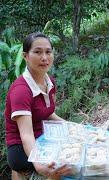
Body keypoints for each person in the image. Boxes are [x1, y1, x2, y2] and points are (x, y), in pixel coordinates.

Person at [4, 32, 72, 179]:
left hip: (43, 137)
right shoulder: (21, 90)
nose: (44, 58)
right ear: (25, 56)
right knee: (64, 168)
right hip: (21, 147)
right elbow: (26, 135)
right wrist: (39, 163)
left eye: (48, 52)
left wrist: (70, 126)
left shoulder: (50, 82)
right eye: (37, 52)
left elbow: (47, 113)